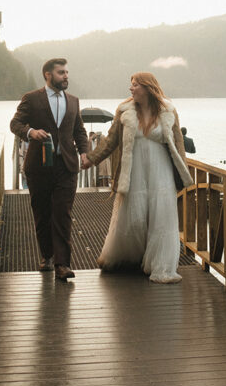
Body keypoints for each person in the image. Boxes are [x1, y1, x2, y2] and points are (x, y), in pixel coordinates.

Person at [82, 72, 191, 283]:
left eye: (135, 85)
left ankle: (160, 266)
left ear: (147, 88)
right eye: (131, 85)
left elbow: (178, 145)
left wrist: (183, 174)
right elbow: (111, 141)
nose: (131, 89)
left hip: (162, 172)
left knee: (161, 218)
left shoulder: (168, 111)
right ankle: (130, 257)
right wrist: (91, 159)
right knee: (134, 216)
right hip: (134, 171)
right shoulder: (124, 111)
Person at [10, 58, 89, 281]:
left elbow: (79, 130)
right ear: (48, 75)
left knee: (62, 214)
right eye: (61, 72)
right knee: (42, 214)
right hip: (38, 166)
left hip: (66, 167)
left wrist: (84, 152)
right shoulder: (32, 98)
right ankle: (46, 256)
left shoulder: (73, 101)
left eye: (66, 72)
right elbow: (15, 123)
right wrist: (31, 132)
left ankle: (62, 264)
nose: (66, 76)